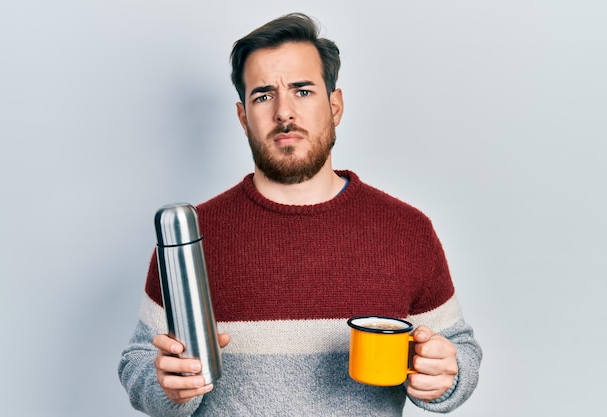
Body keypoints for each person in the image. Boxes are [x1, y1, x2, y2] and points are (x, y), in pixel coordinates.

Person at [118, 12, 482, 417]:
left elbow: (460, 350)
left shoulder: (406, 230)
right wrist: (168, 386)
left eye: (302, 91)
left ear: (335, 105)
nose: (283, 112)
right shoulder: (189, 237)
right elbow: (138, 363)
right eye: (263, 96)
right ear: (243, 118)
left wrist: (445, 373)